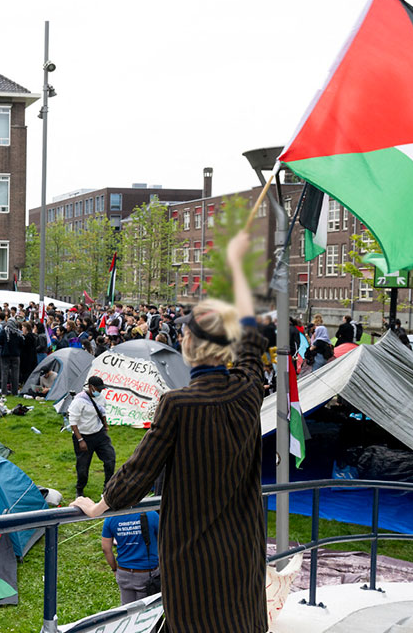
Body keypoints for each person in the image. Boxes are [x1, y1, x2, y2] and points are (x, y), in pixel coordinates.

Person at [72, 227, 267, 632]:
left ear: (191, 346)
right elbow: (251, 343)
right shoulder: (249, 390)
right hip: (244, 551)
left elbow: (137, 474)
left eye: (183, 334)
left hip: (194, 561)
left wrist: (95, 507)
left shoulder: (178, 405)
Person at [68, 375, 116, 498]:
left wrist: (105, 426)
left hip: (99, 434)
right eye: (98, 389)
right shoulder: (79, 401)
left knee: (110, 459)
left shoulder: (101, 398)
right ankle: (80, 489)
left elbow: (102, 411)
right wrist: (80, 440)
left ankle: (108, 487)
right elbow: (73, 422)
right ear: (90, 387)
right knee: (83, 467)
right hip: (83, 436)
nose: (100, 391)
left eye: (101, 389)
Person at [101, 509, 161, 605]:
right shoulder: (152, 514)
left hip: (124, 572)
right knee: (147, 612)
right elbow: (164, 540)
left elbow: (105, 548)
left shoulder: (111, 517)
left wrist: (114, 569)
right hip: (148, 573)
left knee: (127, 611)